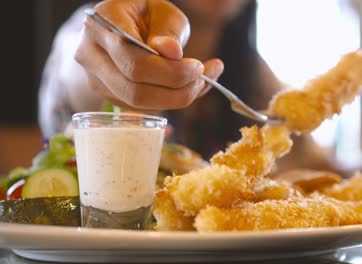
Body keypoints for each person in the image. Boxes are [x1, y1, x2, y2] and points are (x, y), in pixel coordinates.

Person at [39, 0, 342, 174]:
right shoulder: (90, 30)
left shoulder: (252, 70)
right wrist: (112, 49)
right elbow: (84, 55)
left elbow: (308, 157)